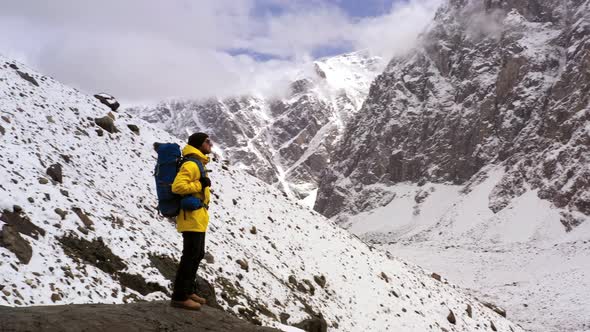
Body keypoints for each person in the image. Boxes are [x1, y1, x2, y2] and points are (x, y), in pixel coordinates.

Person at [170, 132, 213, 310]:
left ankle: (188, 291)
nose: (210, 144)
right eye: (207, 141)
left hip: (198, 216)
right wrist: (200, 185)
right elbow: (177, 187)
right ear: (198, 144)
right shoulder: (190, 164)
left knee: (197, 254)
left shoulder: (198, 163)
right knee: (190, 256)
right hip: (191, 217)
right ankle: (179, 296)